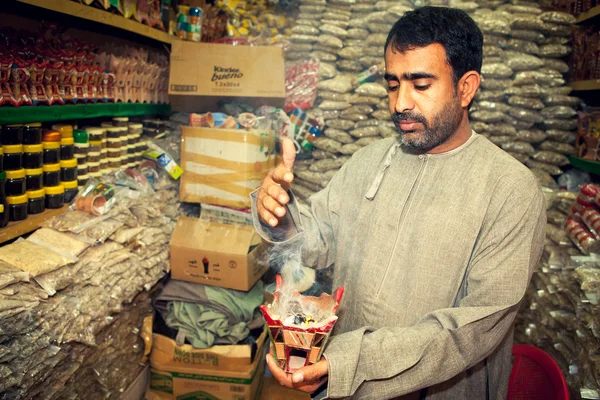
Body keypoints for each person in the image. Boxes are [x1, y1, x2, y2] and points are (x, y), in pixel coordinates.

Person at [251, 6, 546, 400]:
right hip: (344, 386)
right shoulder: (369, 161)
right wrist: (279, 214)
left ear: (466, 87)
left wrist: (353, 362)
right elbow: (318, 236)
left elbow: (472, 328)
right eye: (393, 85)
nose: (400, 103)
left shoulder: (509, 190)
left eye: (420, 85)